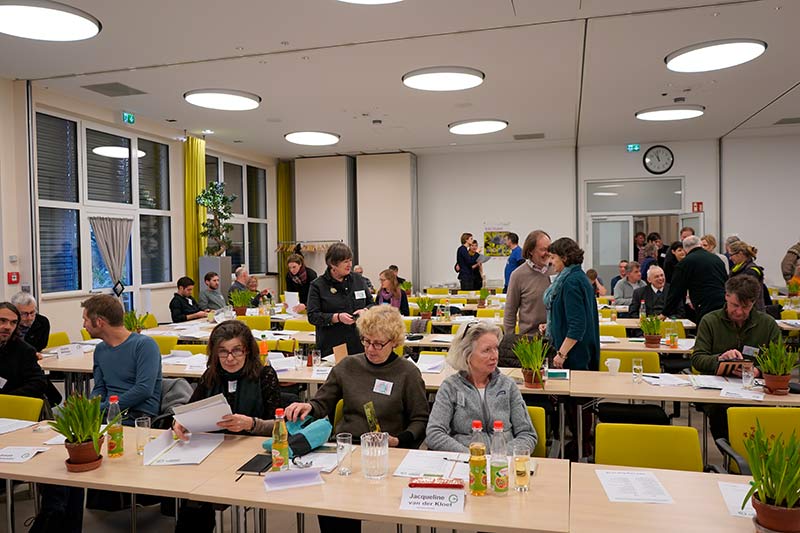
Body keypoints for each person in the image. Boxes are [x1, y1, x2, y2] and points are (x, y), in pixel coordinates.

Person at [286, 306, 429, 533]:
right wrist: (308, 406)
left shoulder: (407, 373)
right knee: (332, 505)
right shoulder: (348, 366)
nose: (370, 349)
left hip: (385, 453)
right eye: (366, 341)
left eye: (378, 344)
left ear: (394, 342)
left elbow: (420, 420)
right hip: (346, 450)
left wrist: (399, 440)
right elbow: (322, 403)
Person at [173, 320, 281, 532]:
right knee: (193, 497)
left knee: (204, 494)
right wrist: (180, 422)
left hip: (251, 453)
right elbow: (188, 412)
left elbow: (280, 426)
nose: (230, 358)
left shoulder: (264, 375)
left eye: (236, 351)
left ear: (247, 351)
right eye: (223, 352)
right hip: (212, 452)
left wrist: (251, 424)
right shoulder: (211, 375)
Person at [691, 276, 781, 441]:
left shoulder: (767, 325)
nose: (739, 312)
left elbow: (780, 361)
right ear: (726, 296)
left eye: (745, 307)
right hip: (717, 394)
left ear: (754, 302)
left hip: (757, 392)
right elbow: (697, 359)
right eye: (735, 305)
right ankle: (732, 454)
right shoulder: (710, 321)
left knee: (767, 416)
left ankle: (753, 453)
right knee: (722, 414)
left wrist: (758, 371)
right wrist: (720, 359)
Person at [425, 321, 537, 453]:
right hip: (465, 461)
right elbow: (434, 434)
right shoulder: (450, 387)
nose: (494, 356)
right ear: (467, 354)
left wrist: (500, 455)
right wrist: (473, 456)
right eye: (486, 350)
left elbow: (527, 434)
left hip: (504, 461)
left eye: (496, 348)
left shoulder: (508, 385)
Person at [543, 238, 599, 460]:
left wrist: (561, 353)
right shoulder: (574, 277)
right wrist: (551, 324)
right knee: (576, 405)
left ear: (565, 258)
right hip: (576, 350)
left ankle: (581, 449)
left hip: (575, 354)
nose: (551, 261)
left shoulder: (571, 282)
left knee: (578, 405)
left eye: (553, 257)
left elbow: (577, 325)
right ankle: (578, 445)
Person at [86, 295, 162, 421]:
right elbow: (100, 388)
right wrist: (92, 405)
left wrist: (105, 408)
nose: (84, 325)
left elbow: (143, 390)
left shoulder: (144, 345)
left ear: (99, 322)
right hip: (108, 414)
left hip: (136, 416)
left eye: (86, 320)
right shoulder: (100, 350)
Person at [307, 242, 374, 356]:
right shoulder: (318, 285)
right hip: (332, 345)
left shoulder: (358, 280)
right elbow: (313, 316)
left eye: (350, 260)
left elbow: (372, 304)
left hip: (359, 343)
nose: (350, 264)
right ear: (333, 264)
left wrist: (365, 310)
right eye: (345, 261)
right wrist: (337, 317)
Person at [501, 230, 552, 366]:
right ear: (531, 251)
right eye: (543, 249)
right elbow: (510, 311)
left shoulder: (556, 270)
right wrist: (510, 342)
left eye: (549, 249)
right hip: (530, 342)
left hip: (556, 341)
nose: (548, 253)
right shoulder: (518, 275)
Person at [11, 291, 62, 406]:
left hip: (32, 365)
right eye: (24, 314)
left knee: (54, 397)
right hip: (15, 369)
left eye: (32, 312)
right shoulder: (8, 326)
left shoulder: (42, 322)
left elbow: (40, 345)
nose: (29, 318)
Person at [662, 236, 727, 323]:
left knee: (706, 329)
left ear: (685, 249)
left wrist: (665, 313)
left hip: (704, 304)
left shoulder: (685, 263)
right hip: (723, 302)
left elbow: (676, 290)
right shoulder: (717, 259)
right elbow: (726, 281)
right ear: (700, 244)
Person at [0, 302, 47, 399]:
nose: (8, 327)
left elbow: (38, 383)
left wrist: (6, 399)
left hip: (11, 403)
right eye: (2, 320)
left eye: (13, 322)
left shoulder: (24, 350)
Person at [728, 240, 771, 311]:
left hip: (751, 310)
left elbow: (747, 294)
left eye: (731, 255)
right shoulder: (736, 269)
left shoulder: (752, 271)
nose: (730, 258)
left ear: (740, 253)